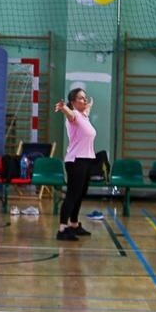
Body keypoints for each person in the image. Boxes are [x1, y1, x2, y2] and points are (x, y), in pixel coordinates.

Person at [54, 88, 98, 241]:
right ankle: (62, 229)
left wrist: (89, 104)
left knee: (80, 194)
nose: (84, 101)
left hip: (87, 160)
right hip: (76, 161)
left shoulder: (84, 116)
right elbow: (70, 113)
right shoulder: (74, 117)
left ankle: (74, 224)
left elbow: (87, 108)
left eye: (85, 98)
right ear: (73, 102)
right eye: (81, 98)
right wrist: (63, 107)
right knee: (72, 195)